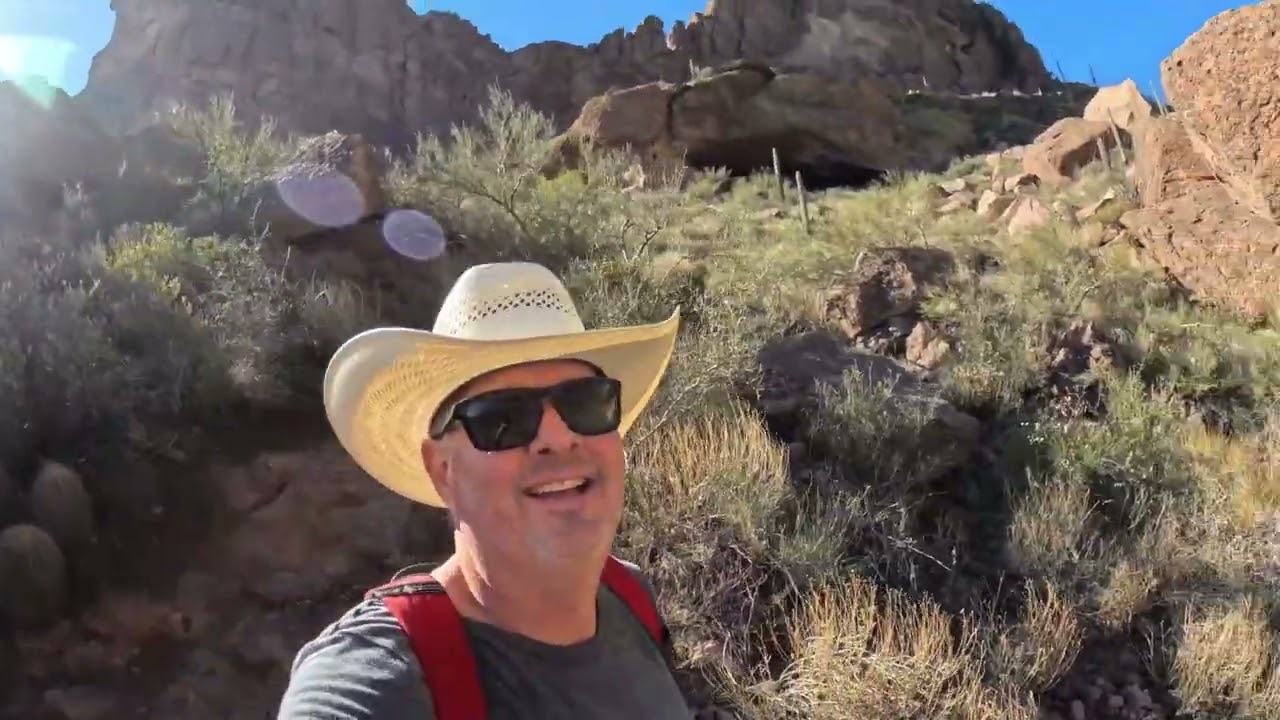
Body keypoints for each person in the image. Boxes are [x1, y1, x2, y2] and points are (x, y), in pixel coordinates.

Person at [277, 261, 694, 719]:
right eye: (503, 420)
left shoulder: (629, 596)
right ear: (443, 469)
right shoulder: (382, 675)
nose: (557, 438)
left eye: (585, 403)